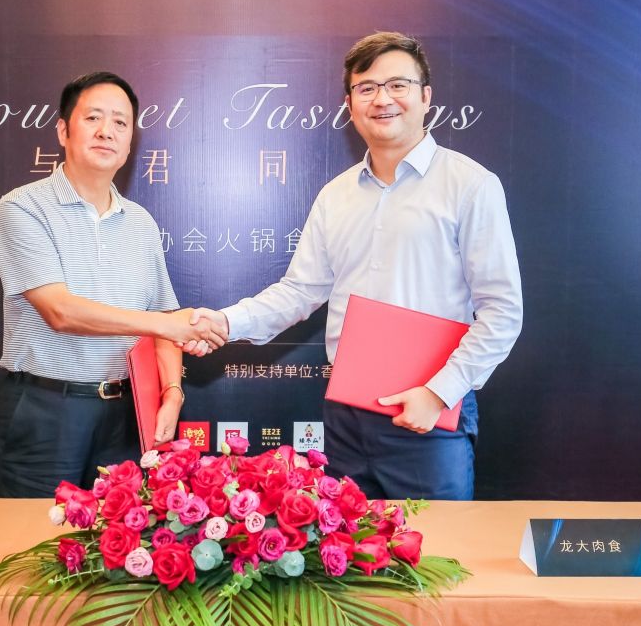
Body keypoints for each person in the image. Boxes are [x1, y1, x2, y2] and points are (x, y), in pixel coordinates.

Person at [190, 33, 523, 500]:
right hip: (345, 416)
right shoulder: (336, 195)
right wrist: (225, 322)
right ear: (350, 103)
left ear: (426, 96)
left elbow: (502, 311)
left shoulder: (470, 186)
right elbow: (300, 291)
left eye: (398, 85)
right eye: (366, 88)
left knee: (436, 546)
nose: (382, 99)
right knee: (351, 546)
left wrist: (439, 392)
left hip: (428, 415)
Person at [0, 71, 226, 497]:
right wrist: (166, 324)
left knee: (117, 534)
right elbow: (60, 311)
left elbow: (163, 316)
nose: (107, 131)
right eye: (93, 118)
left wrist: (172, 393)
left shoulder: (141, 223)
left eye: (120, 122)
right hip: (48, 411)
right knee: (33, 532)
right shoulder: (23, 207)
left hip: (127, 414)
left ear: (131, 140)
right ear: (63, 130)